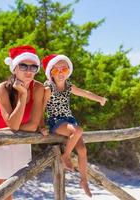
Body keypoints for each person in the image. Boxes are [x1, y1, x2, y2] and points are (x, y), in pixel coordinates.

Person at [0, 45, 44, 200]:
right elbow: (13, 124)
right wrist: (23, 96)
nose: (28, 70)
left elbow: (33, 125)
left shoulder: (39, 88)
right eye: (23, 65)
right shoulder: (3, 88)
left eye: (33, 67)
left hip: (18, 139)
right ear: (14, 68)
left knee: (9, 189)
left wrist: (9, 129)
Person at [40, 54, 107, 197]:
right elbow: (41, 107)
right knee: (78, 131)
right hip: (55, 121)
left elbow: (84, 93)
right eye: (56, 70)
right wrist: (41, 126)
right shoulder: (48, 88)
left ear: (68, 71)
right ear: (50, 72)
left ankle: (84, 181)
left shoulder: (69, 86)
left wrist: (99, 99)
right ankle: (66, 156)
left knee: (82, 150)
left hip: (69, 120)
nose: (60, 73)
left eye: (63, 69)